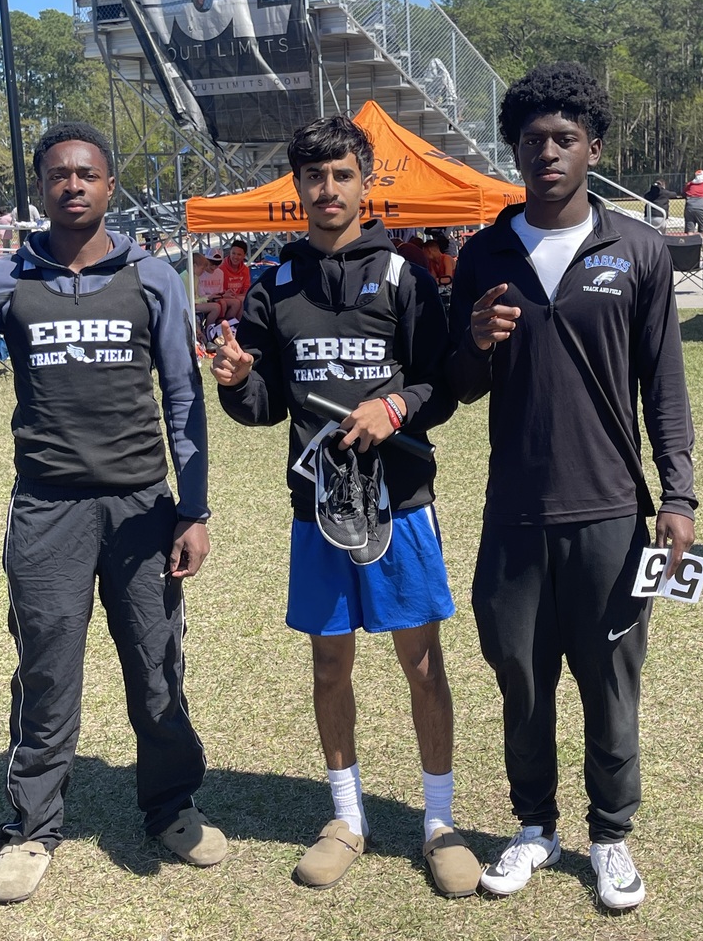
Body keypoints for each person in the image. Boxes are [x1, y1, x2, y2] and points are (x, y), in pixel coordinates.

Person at [448, 62, 696, 911]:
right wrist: (476, 339)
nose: (546, 153)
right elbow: (456, 384)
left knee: (610, 679)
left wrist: (681, 496)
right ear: (514, 151)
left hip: (613, 518)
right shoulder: (482, 253)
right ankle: (533, 829)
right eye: (531, 141)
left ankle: (611, 836)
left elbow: (663, 383)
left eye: (564, 139)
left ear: (593, 147)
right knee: (520, 677)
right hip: (514, 512)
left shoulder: (636, 248)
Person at [212, 114, 481, 897]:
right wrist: (234, 382)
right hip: (316, 508)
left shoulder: (403, 278)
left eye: (341, 175)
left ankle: (439, 822)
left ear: (366, 182)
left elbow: (442, 384)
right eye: (313, 177)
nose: (327, 190)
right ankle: (347, 819)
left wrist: (394, 408)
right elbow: (263, 404)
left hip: (400, 506)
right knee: (330, 661)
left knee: (422, 663)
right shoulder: (277, 285)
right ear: (298, 188)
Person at [0, 121, 227, 905]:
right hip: (48, 507)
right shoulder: (6, 277)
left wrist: (193, 509)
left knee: (157, 668)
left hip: (141, 509)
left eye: (87, 174)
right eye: (58, 175)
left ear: (109, 185)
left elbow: (183, 397)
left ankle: (171, 807)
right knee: (47, 671)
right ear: (41, 190)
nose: (73, 186)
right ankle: (30, 826)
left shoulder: (152, 276)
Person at [219, 238, 251, 322]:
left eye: (239, 254)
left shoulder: (245, 270)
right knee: (238, 302)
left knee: (243, 300)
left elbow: (246, 290)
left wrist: (236, 296)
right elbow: (218, 289)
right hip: (224, 297)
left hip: (237, 297)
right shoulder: (221, 268)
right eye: (233, 253)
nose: (235, 257)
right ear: (229, 252)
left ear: (244, 255)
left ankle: (238, 327)